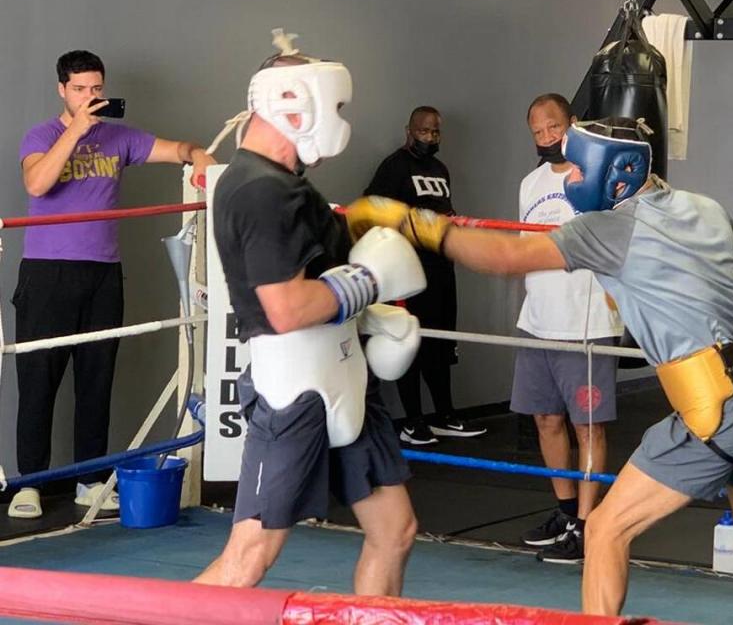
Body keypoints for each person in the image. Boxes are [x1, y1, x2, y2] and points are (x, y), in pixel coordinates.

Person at [344, 116, 733, 624]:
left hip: (716, 403)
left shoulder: (608, 228)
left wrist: (417, 225)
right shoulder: (707, 208)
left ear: (615, 169)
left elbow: (507, 258)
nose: (572, 177)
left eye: (578, 167)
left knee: (604, 529)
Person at [195, 39, 424, 591]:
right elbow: (287, 306)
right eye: (338, 107)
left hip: (342, 371)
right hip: (295, 389)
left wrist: (371, 313)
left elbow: (320, 282)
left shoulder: (286, 184)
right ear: (294, 102)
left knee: (395, 530)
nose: (340, 122)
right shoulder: (258, 190)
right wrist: (368, 280)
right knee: (250, 554)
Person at [9, 50, 216, 519]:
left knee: (96, 380)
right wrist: (76, 130)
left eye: (96, 89)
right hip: (48, 272)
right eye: (80, 89)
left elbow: (178, 149)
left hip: (102, 273)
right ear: (62, 90)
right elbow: (38, 184)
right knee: (38, 380)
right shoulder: (41, 135)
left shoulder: (119, 138)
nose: (90, 97)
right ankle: (28, 485)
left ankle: (90, 479)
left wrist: (198, 154)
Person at [514, 93, 622, 564]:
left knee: (588, 428)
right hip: (539, 321)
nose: (546, 138)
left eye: (552, 128)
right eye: (537, 132)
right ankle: (565, 513)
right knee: (546, 419)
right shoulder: (530, 183)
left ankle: (588, 524)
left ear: (571, 124)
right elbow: (522, 247)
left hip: (588, 323)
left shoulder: (599, 179)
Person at [363, 106, 485, 445]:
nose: (430, 138)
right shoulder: (394, 167)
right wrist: (413, 227)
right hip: (406, 272)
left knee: (441, 344)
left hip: (441, 269)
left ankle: (445, 415)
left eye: (435, 132)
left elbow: (445, 211)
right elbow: (371, 211)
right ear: (409, 130)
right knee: (410, 343)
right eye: (424, 132)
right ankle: (412, 421)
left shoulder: (440, 169)